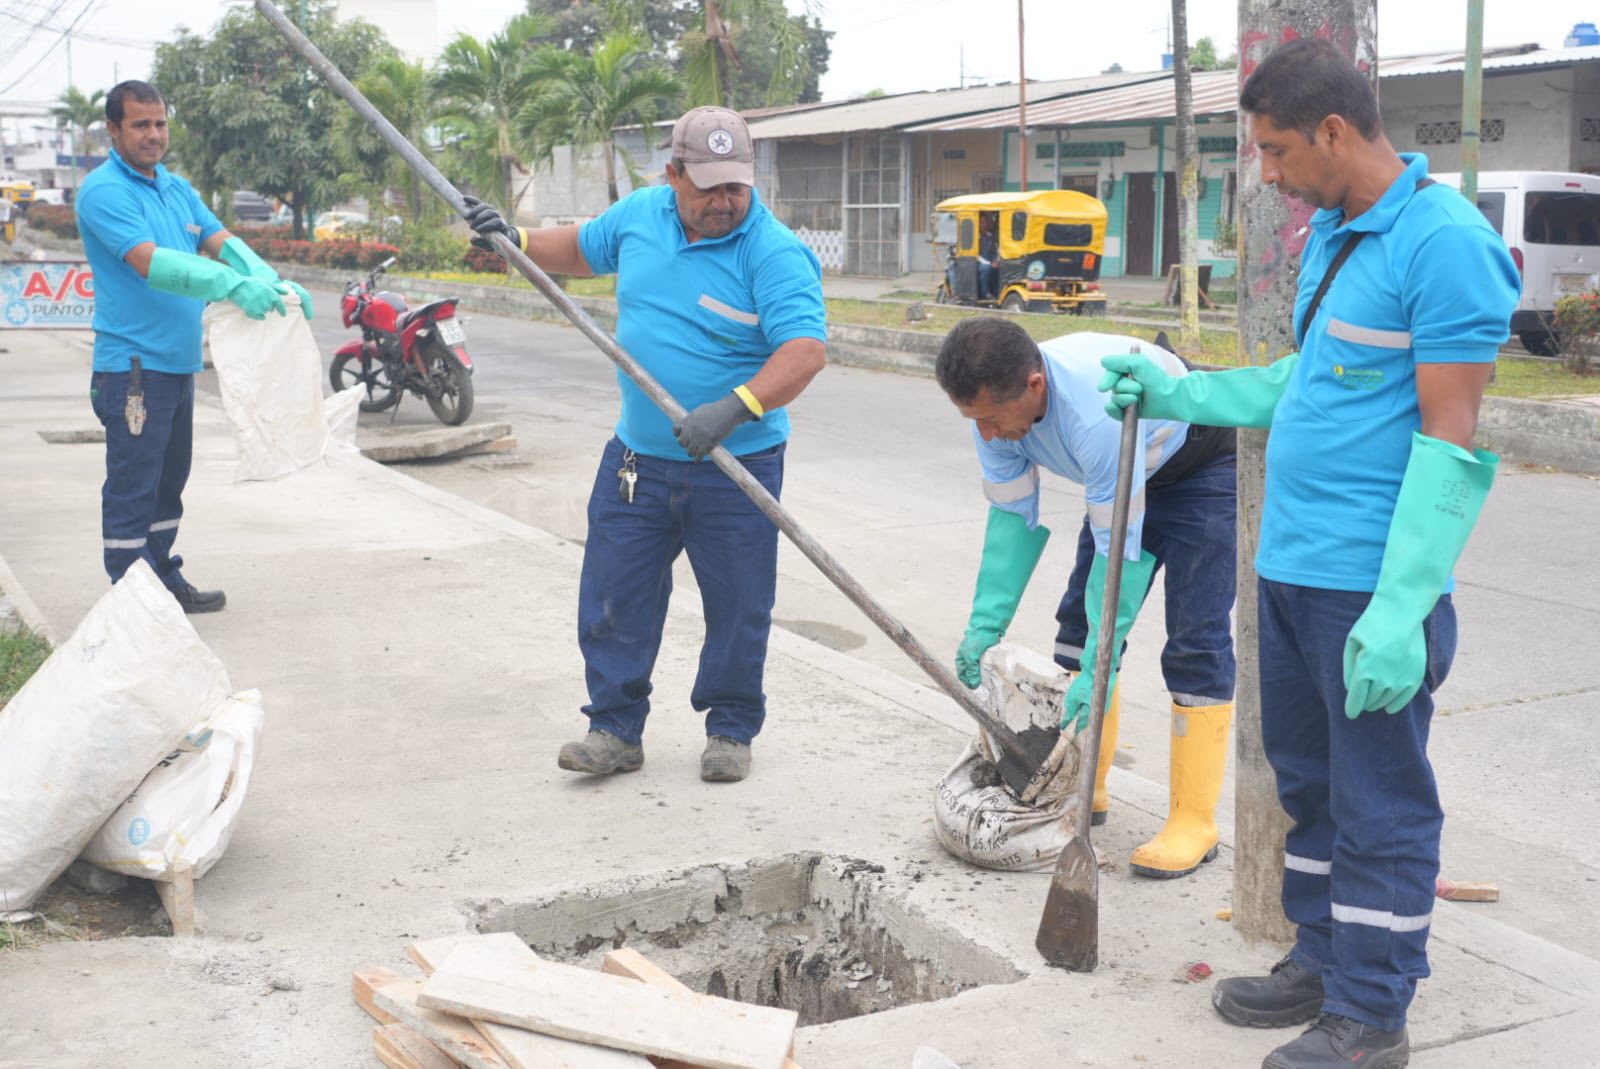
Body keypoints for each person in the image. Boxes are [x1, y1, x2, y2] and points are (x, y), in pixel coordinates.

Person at [1102, 38, 1520, 1069]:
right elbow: (1310, 381)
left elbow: (1450, 439)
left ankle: (1373, 1014)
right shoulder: (1334, 231)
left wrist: (1402, 606)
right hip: (1288, 573)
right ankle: (1323, 961)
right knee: (1310, 786)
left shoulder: (1444, 245)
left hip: (1366, 589)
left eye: (1278, 150)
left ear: (1334, 132)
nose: (1270, 173)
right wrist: (1186, 391)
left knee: (1379, 801)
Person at [463, 106, 827, 784]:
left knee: (739, 604)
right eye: (709, 187)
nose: (724, 202)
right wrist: (514, 238)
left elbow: (803, 351)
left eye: (736, 187)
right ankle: (613, 728)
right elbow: (580, 250)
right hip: (637, 458)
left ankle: (730, 729)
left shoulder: (772, 251)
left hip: (736, 463)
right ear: (674, 173)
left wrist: (735, 408)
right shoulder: (639, 216)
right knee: (614, 592)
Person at [938, 318, 1238, 878]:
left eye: (992, 419)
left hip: (1201, 468)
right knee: (1077, 636)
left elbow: (1119, 550)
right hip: (1126, 473)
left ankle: (1194, 821)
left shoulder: (1092, 413)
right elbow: (1012, 517)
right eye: (973, 420)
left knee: (1196, 642)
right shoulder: (993, 411)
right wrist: (985, 624)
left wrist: (1105, 656)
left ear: (1034, 386)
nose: (986, 434)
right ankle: (1086, 783)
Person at [75, 80, 311, 614]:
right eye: (140, 124)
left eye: (160, 123)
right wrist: (230, 284)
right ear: (113, 130)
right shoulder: (105, 191)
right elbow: (148, 261)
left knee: (167, 486)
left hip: (177, 365)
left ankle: (161, 581)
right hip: (132, 368)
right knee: (134, 486)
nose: (153, 134)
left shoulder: (176, 188)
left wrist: (267, 278)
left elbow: (219, 240)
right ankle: (131, 605)